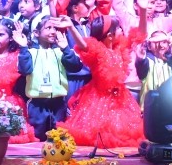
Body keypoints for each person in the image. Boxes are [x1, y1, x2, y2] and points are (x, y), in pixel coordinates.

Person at [62, 13, 146, 148]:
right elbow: (83, 45)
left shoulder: (120, 48)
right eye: (118, 28)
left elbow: (139, 34)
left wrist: (143, 11)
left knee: (124, 134)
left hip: (121, 99)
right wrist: (71, 27)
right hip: (99, 99)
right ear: (110, 35)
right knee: (99, 135)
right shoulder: (98, 51)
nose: (121, 30)